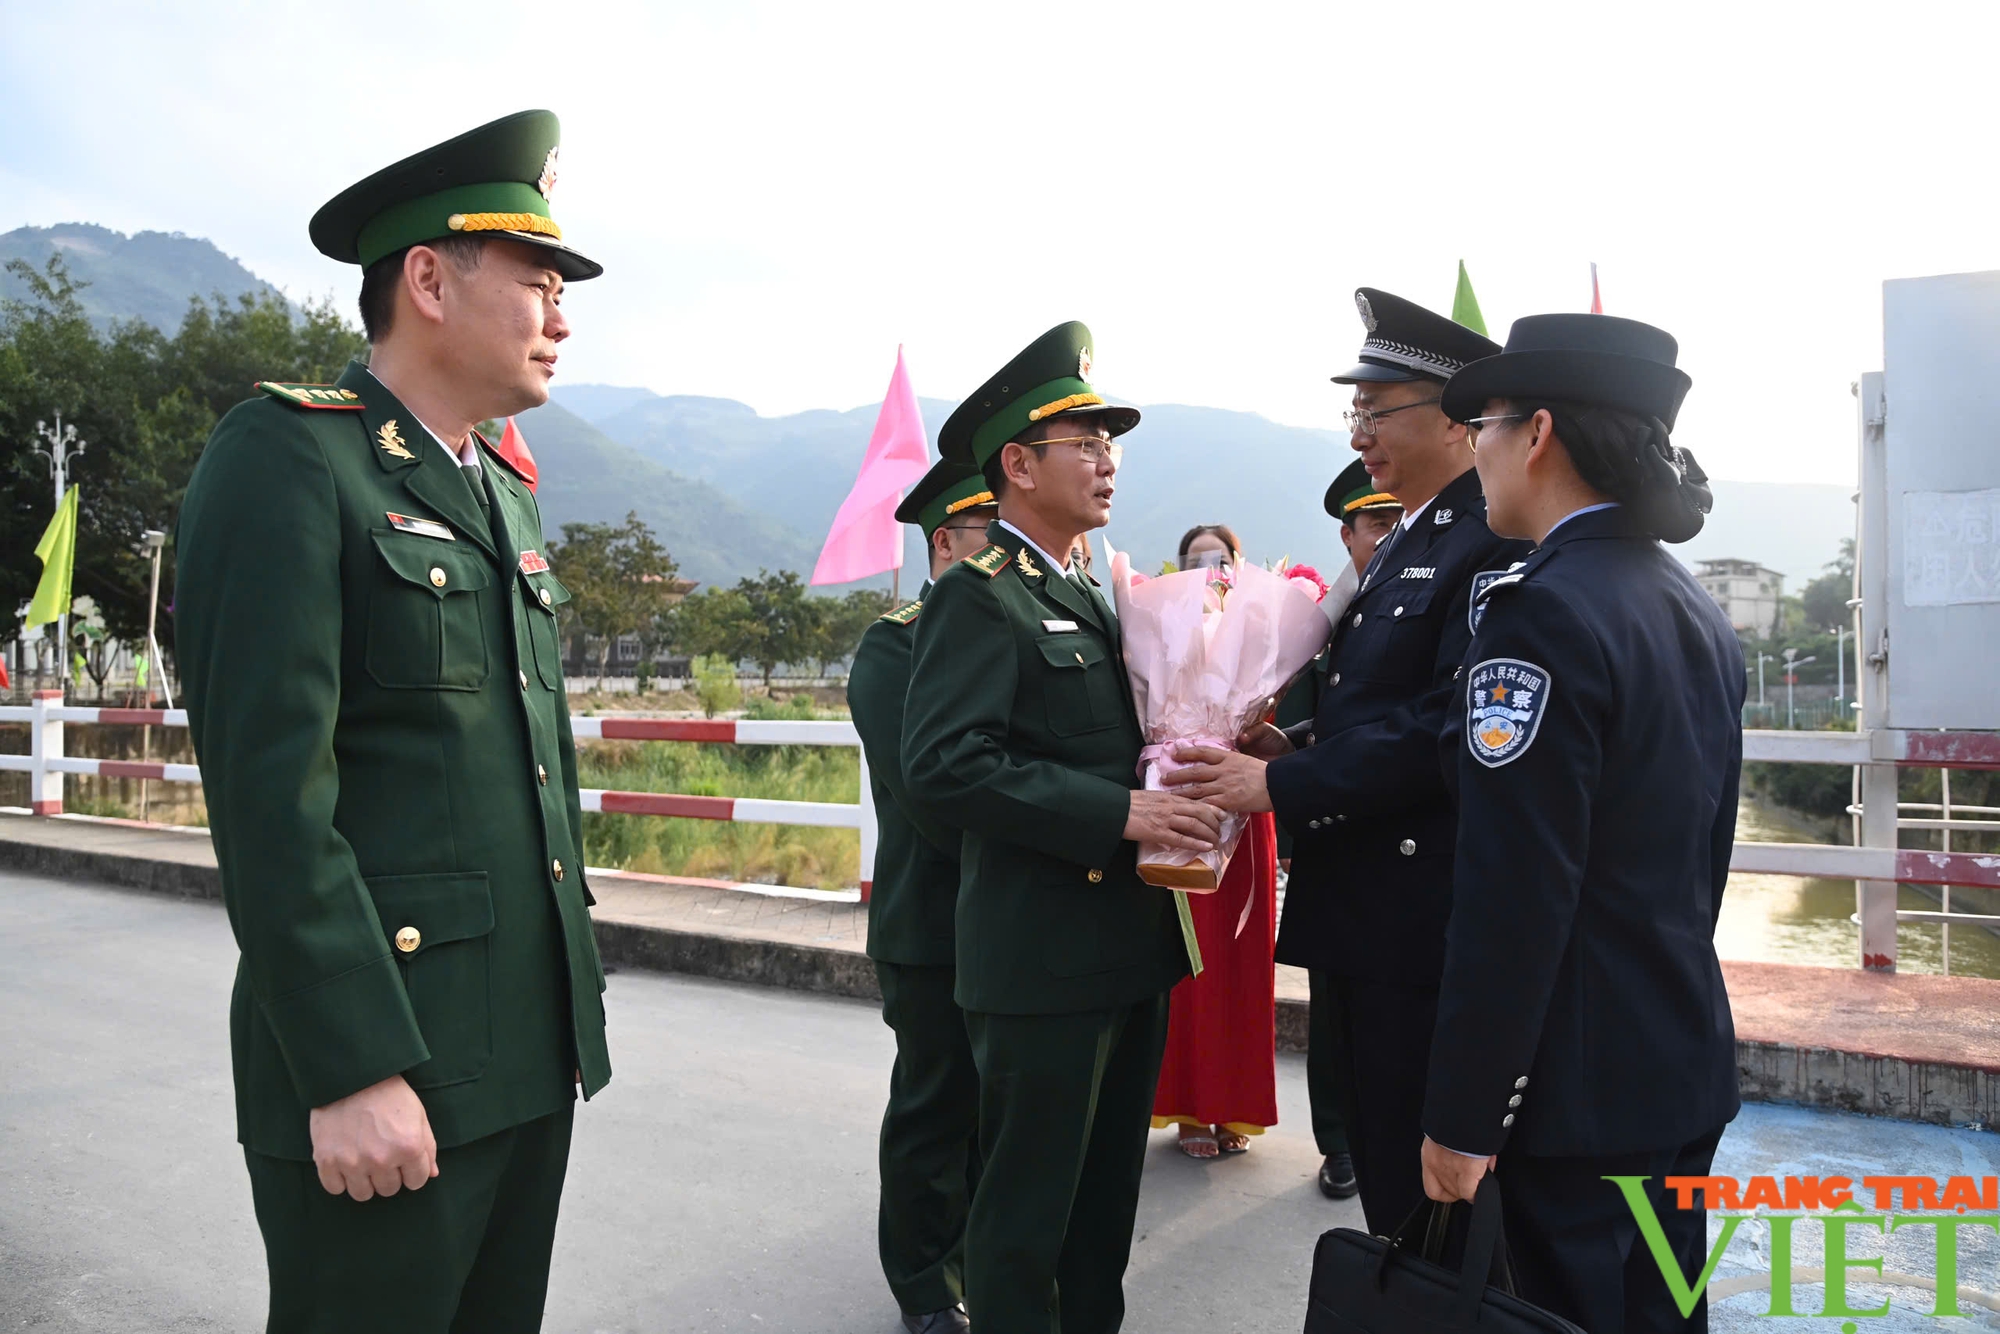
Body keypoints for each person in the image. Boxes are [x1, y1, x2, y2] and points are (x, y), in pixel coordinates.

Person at [174, 110, 610, 1334]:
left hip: (522, 1056)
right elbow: (271, 801)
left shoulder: (495, 488)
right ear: (428, 278)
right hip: (389, 1063)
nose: (562, 314)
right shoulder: (293, 457)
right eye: (537, 282)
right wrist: (352, 1062)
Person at [1161, 288, 1529, 1237]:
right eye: (1354, 413)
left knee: (1429, 1202)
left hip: (1418, 918)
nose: (1360, 433)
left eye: (1378, 410)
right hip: (1370, 915)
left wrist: (1277, 783)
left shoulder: (1486, 541)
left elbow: (1448, 728)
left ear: (1455, 419)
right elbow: (1377, 710)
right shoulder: (1410, 538)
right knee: (1391, 1180)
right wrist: (1295, 743)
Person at [1419, 314, 1740, 1333]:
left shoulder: (1541, 615)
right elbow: (1703, 858)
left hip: (1575, 1098)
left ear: (1539, 431)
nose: (1472, 448)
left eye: (1483, 423)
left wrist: (1463, 1117)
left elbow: (1514, 896)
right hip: (1675, 1059)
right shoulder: (1684, 603)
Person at [902, 321, 1222, 1333]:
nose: (1104, 460)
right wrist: (1117, 811)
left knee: (1100, 1218)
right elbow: (944, 765)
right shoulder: (978, 597)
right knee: (1024, 1219)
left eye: (1108, 441)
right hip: (1040, 958)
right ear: (1017, 464)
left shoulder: (1091, 589)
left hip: (1126, 948)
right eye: (1082, 441)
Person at [848, 459, 999, 1334]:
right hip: (933, 921)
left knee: (991, 1110)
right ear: (947, 541)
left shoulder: (1001, 629)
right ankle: (923, 1284)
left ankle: (975, 1259)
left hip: (1008, 918)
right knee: (935, 1108)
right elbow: (932, 791)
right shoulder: (896, 643)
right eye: (991, 537)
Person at [1275, 456, 1403, 1202]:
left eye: (1395, 519)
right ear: (1347, 535)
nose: (1386, 535)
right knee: (1335, 1008)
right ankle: (1339, 1142)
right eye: (1374, 523)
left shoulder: (1423, 598)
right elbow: (1296, 709)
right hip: (1330, 824)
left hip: (1400, 825)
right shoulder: (1323, 619)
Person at [1150, 523, 1279, 1160]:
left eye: (1220, 559)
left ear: (1239, 563)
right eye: (1195, 561)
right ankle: (1191, 1109)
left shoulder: (1263, 627)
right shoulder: (1158, 632)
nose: (1209, 570)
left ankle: (1235, 1107)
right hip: (1186, 805)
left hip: (1247, 809)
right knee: (1193, 967)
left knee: (1241, 965)